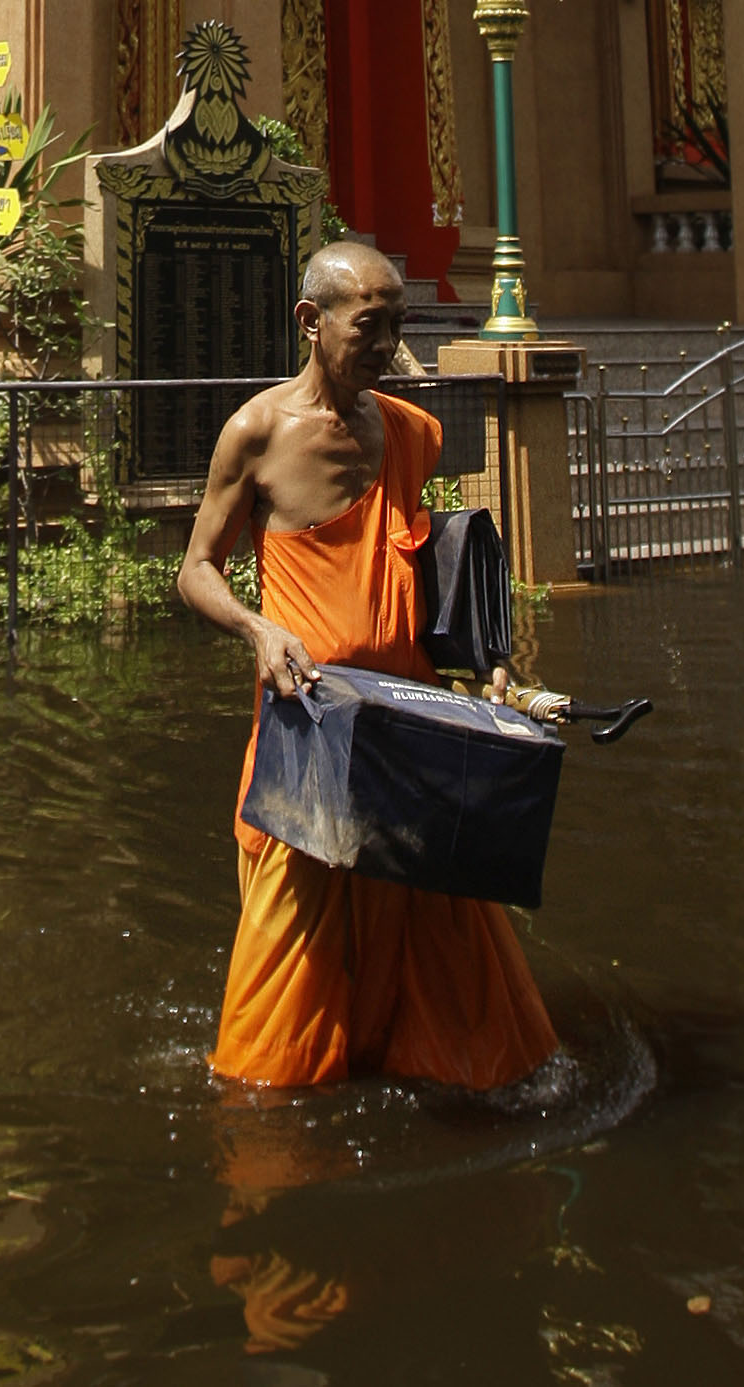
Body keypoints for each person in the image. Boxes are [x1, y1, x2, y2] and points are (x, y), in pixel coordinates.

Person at [179, 241, 557, 1092]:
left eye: (398, 325)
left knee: (444, 929)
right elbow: (194, 567)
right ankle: (270, 1111)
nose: (386, 345)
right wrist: (258, 630)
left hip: (410, 730)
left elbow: (429, 568)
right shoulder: (257, 432)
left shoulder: (411, 430)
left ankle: (430, 1064)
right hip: (307, 723)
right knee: (289, 950)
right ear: (313, 323)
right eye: (369, 325)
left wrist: (485, 661)